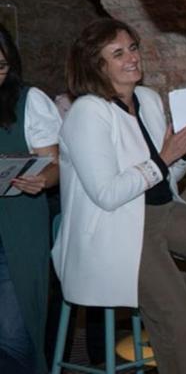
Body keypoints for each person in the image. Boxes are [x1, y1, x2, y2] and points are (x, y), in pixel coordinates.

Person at [52, 19, 186, 374]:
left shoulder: (146, 99)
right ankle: (174, 328)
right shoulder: (87, 112)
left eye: (133, 47)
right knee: (175, 320)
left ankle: (173, 326)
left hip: (162, 209)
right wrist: (164, 156)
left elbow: (167, 175)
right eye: (118, 53)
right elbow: (107, 194)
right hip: (117, 229)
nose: (132, 57)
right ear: (97, 66)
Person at [0, 25, 62, 374]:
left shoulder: (28, 100)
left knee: (13, 335)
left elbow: (55, 165)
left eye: (1, 66)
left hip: (15, 231)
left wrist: (41, 179)